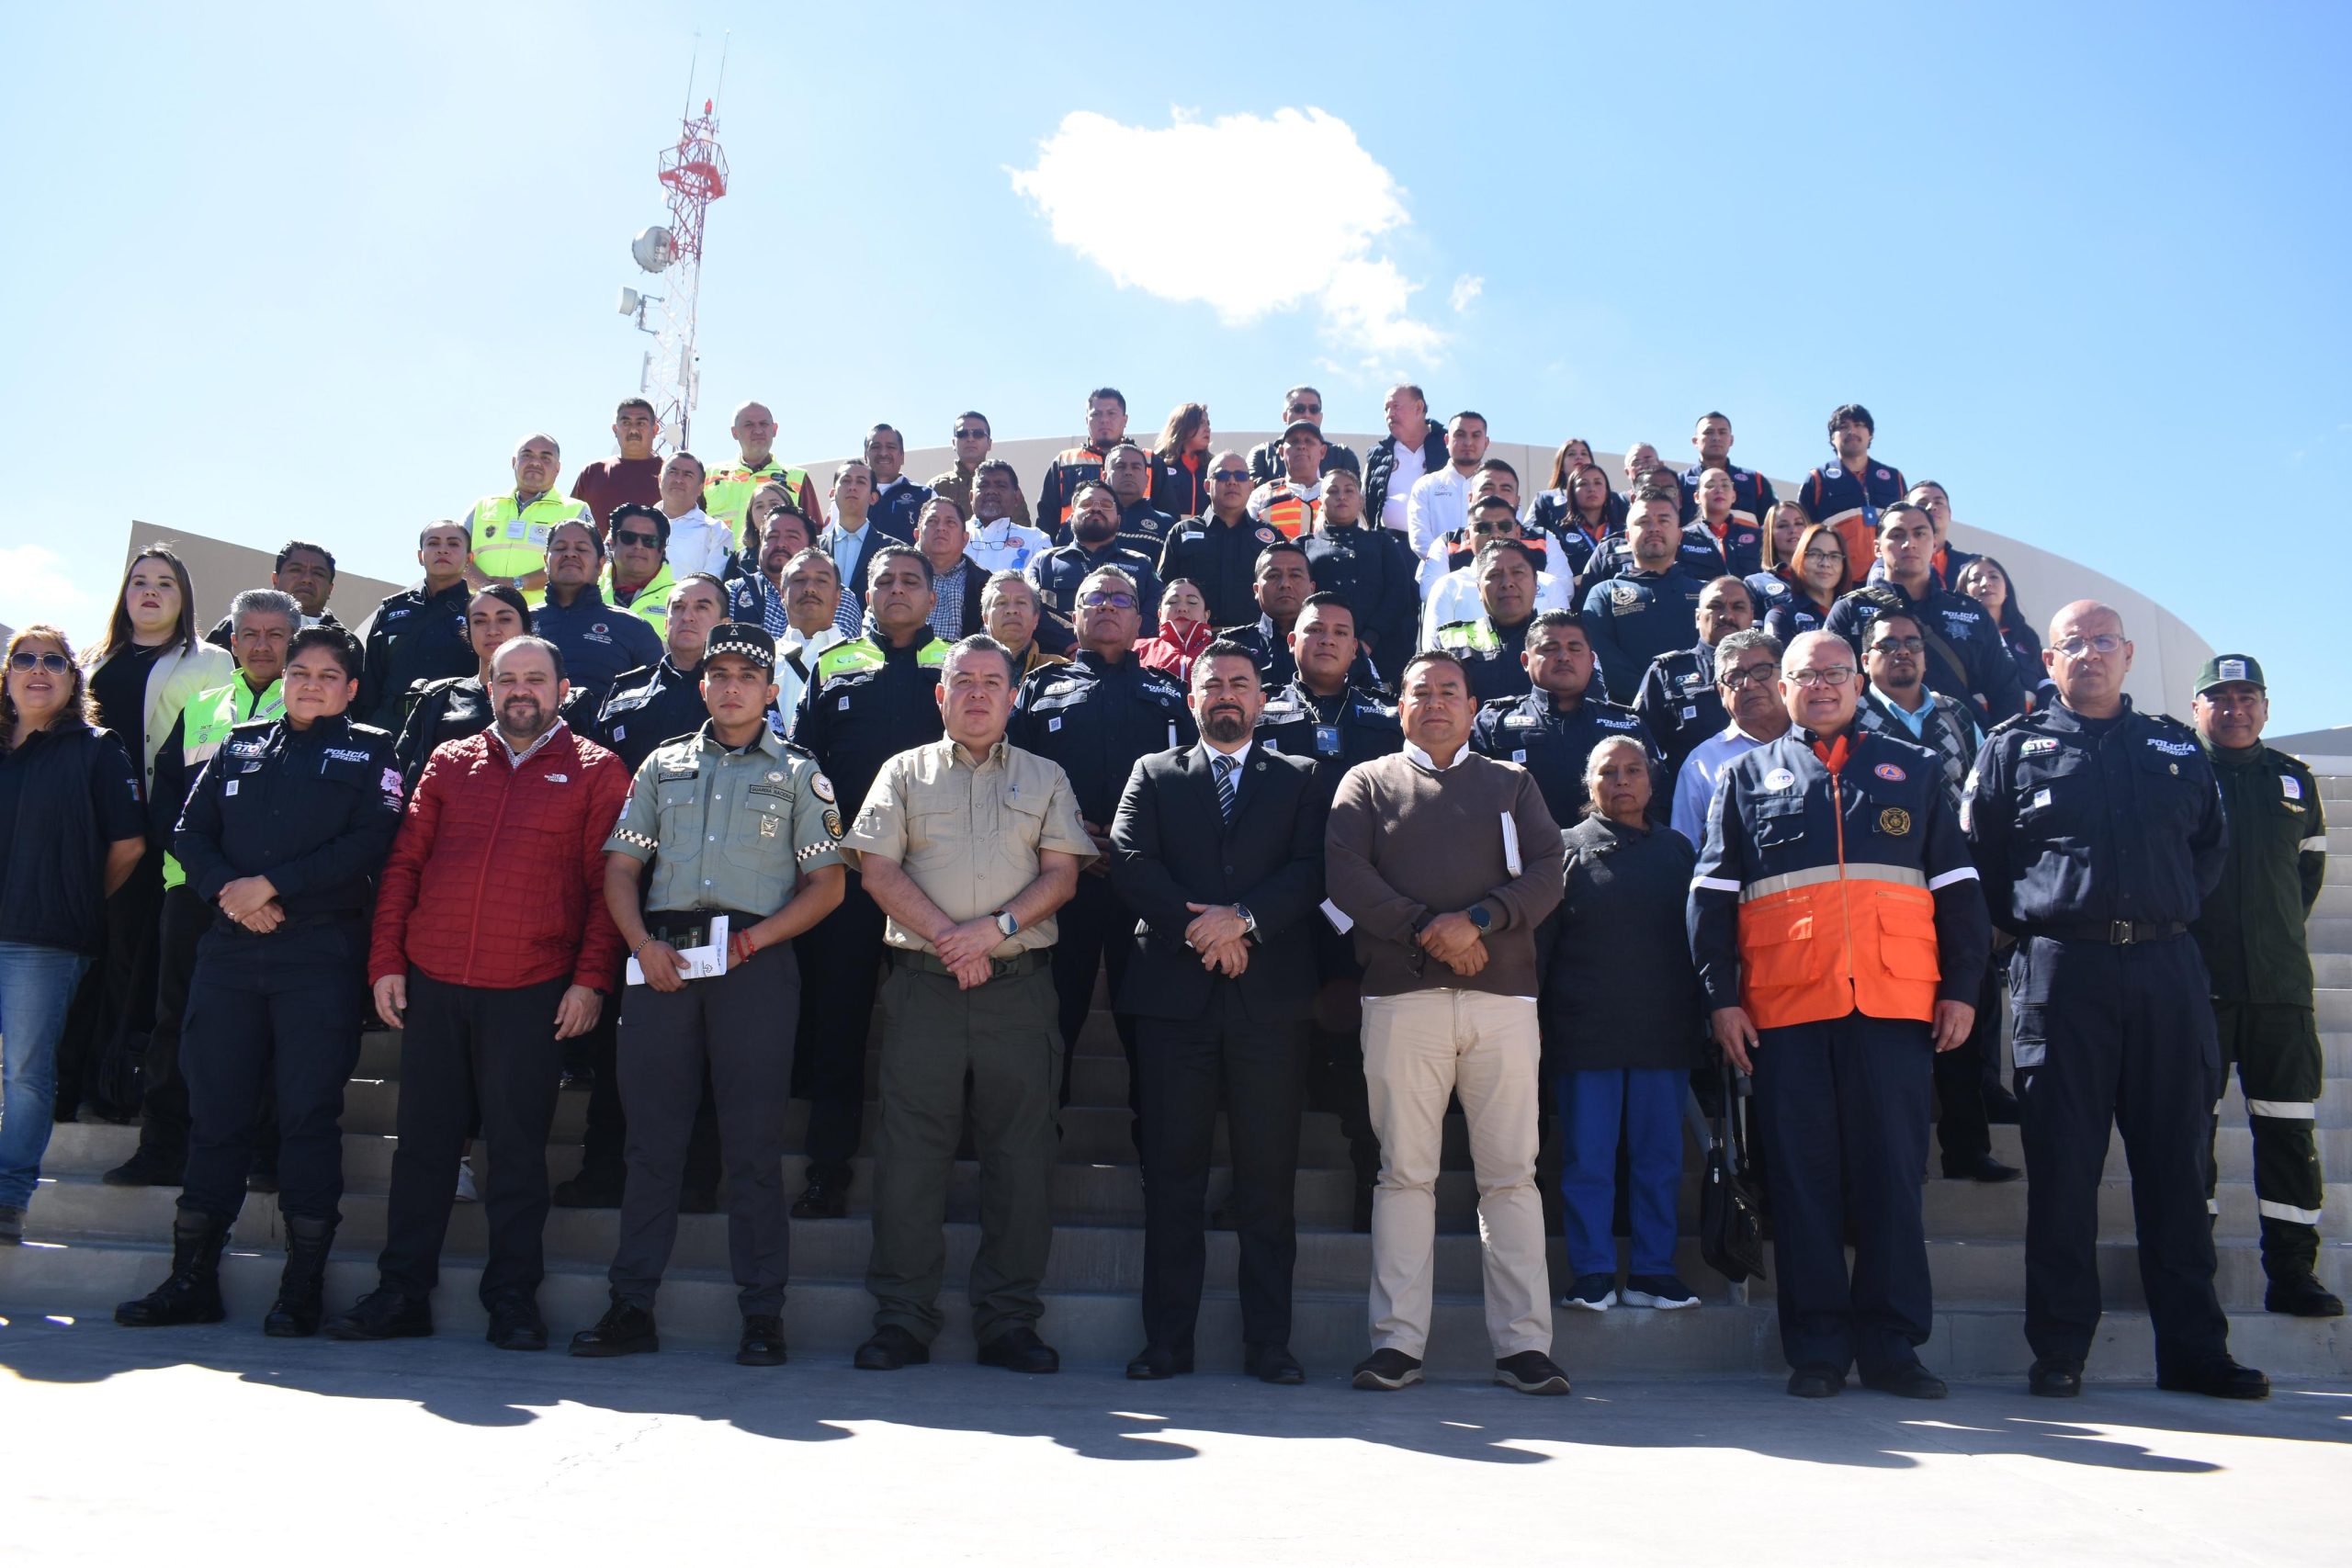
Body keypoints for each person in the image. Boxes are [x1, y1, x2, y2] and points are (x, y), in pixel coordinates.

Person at [1964, 602, 2268, 1400]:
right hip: (2065, 974)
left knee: (2176, 1165)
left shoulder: (2173, 746)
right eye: (2073, 644)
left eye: (2104, 642)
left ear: (2129, 655)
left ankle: (2197, 1350)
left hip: (2168, 970)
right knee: (2064, 1172)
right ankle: (2060, 1349)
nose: (2089, 655)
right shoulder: (2012, 749)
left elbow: (2209, 851)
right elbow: (1985, 861)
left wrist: (2153, 915)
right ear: (2049, 659)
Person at [1691, 629, 1989, 1400]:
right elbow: (1712, 902)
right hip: (1784, 1014)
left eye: (1833, 673)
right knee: (1802, 1180)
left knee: (1893, 1176)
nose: (1820, 686)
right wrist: (1722, 1000)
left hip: (1894, 1006)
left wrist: (1962, 986)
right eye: (1804, 675)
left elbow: (1957, 887)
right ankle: (1817, 1347)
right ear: (1781, 689)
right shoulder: (1745, 775)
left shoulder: (1917, 770)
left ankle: (1893, 1347)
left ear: (1858, 683)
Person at [328, 635, 628, 1349]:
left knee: (519, 1154)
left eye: (535, 678)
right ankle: (402, 1292)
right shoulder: (448, 760)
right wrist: (386, 960)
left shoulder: (599, 770)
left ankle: (514, 1301)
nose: (520, 690)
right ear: (488, 687)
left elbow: (605, 888)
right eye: (507, 679)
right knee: (423, 1150)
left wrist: (590, 980)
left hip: (530, 989)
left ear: (562, 690)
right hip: (434, 982)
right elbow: (403, 866)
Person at [567, 625, 848, 1365]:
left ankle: (762, 1315)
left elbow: (828, 884)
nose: (730, 687)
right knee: (651, 1142)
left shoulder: (797, 771)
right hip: (663, 960)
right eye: (718, 673)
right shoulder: (662, 765)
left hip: (756, 963)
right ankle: (631, 1305)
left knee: (752, 1146)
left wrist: (754, 943)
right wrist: (641, 945)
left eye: (746, 676)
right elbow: (622, 868)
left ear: (767, 689)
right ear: (702, 685)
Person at [114, 626, 402, 1334]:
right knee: (217, 1114)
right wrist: (232, 892)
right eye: (299, 671)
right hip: (231, 954)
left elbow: (373, 838)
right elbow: (189, 831)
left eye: (327, 675)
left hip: (318, 956)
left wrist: (273, 885)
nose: (309, 684)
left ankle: (301, 1287)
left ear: (351, 689)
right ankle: (191, 1279)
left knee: (306, 1115)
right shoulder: (241, 741)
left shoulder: (372, 751)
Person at [843, 635, 1093, 1374]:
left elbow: (1063, 876)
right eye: (964, 681)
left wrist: (994, 931)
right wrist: (953, 938)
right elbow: (877, 871)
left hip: (1018, 992)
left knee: (1021, 1157)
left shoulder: (1047, 776)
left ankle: (1009, 1321)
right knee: (908, 1157)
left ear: (1014, 697)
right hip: (923, 986)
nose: (978, 693)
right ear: (940, 694)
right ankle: (902, 1318)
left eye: (993, 681)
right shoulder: (903, 774)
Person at [1325, 649, 1571, 1395]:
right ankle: (1397, 1344)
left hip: (1503, 1003)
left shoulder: (1512, 782)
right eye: (1420, 691)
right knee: (1404, 1174)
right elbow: (1346, 878)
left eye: (1449, 693)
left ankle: (1524, 1347)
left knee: (1511, 1177)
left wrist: (1480, 921)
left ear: (1473, 708)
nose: (1435, 703)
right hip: (1403, 998)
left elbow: (1548, 869)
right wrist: (1432, 930)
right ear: (1399, 705)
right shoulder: (1365, 783)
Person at [1108, 644, 1325, 1382]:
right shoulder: (1154, 773)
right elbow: (1129, 860)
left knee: (1268, 1180)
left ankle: (1269, 1342)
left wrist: (1247, 922)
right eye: (1212, 684)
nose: (1225, 695)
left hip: (1269, 1004)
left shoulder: (1300, 778)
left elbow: (1311, 868)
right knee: (1173, 1177)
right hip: (1175, 1003)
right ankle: (1167, 1340)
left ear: (1262, 701)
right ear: (1189, 697)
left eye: (1239, 684)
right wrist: (1205, 928)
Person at [104, 589, 298, 1190]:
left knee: (272, 1029)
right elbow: (168, 809)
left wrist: (259, 887)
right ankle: (163, 1146)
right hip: (193, 895)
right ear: (232, 641)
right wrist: (218, 883)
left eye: (276, 634)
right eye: (250, 633)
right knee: (176, 1024)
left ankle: (265, 1153)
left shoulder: (316, 706)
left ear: (294, 640)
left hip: (276, 903)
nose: (262, 645)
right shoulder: (203, 707)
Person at [550, 574, 733, 1211]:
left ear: (724, 619)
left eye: (701, 606)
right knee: (616, 1045)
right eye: (677, 606)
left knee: (704, 1040)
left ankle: (696, 1177)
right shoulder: (623, 695)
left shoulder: (735, 698)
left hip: (704, 892)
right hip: (625, 889)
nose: (685, 616)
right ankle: (604, 1169)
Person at [786, 547, 949, 1219]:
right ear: (866, 595)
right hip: (849, 880)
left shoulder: (961, 663)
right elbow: (804, 770)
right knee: (840, 1022)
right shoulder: (834, 664)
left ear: (934, 598)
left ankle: (930, 1175)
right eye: (885, 580)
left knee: (932, 1033)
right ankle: (828, 1167)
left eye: (912, 580)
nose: (898, 590)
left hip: (938, 879)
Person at [2188, 654, 2343, 1318]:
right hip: (2198, 985)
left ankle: (2292, 1271)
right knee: (2189, 1133)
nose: (2234, 709)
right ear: (2198, 709)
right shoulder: (2180, 774)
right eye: (2219, 698)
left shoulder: (2294, 783)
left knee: (2287, 1131)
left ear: (2266, 706)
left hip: (2280, 990)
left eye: (2247, 696)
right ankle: (2189, 1268)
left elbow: (2304, 881)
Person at [1010, 567, 1195, 1109]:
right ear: (1075, 614)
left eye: (1122, 599)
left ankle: (1154, 1165)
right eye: (1096, 598)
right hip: (1056, 885)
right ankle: (1038, 1154)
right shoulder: (1039, 688)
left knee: (1149, 1033)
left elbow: (1192, 783)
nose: (1109, 607)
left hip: (1146, 889)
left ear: (1140, 619)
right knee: (1050, 1024)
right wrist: (1067, 840)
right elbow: (1011, 776)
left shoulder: (1169, 693)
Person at [63, 547, 232, 1122]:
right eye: (139, 582)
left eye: (165, 583)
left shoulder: (209, 661)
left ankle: (113, 1087)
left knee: (132, 960)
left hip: (152, 828)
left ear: (184, 598)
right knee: (80, 954)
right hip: (85, 823)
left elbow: (209, 750)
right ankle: (68, 1081)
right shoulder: (90, 660)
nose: (150, 592)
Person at [1254, 595, 1403, 1229]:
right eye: (1315, 629)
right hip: (1278, 900)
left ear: (1356, 645)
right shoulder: (1261, 708)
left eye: (1342, 630)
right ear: (1293, 640)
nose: (1328, 639)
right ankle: (1258, 1186)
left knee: (1354, 1044)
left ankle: (1370, 1174)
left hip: (1356, 907)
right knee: (1267, 1046)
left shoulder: (1384, 717)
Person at [1547, 735, 1708, 1312]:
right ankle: (1591, 1272)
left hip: (1663, 1030)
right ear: (1588, 785)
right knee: (1588, 1160)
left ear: (1651, 781)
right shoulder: (1563, 849)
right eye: (1608, 772)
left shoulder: (1680, 851)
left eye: (1633, 770)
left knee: (1659, 1160)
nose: (1621, 782)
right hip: (1585, 1030)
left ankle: (1652, 1273)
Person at [1854, 614, 2015, 1186]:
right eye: (1887, 646)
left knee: (1965, 1014)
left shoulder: (1955, 713)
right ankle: (1906, 1158)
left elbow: (1987, 798)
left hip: (1955, 885)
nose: (1901, 654)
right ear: (1865, 659)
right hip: (1885, 893)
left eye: (1911, 645)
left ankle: (1968, 1148)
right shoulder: (1853, 717)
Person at [0, 627, 145, 1245]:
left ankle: (6, 1198)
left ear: (72, 679)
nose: (38, 669)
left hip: (44, 937)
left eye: (53, 661)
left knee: (26, 1071)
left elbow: (129, 843)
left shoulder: (95, 749)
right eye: (23, 658)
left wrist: (77, 897)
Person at [1824, 502, 2028, 724]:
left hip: (1963, 749)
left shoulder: (1971, 612)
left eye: (1920, 534)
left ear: (1935, 544)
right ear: (1877, 548)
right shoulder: (1850, 609)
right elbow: (1828, 681)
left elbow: (2006, 691)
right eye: (1897, 535)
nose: (1909, 544)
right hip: (1874, 750)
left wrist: (1998, 749)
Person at [1468, 611, 1654, 832]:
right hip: (1523, 861)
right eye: (1549, 649)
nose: (1564, 656)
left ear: (1591, 660)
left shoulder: (1626, 724)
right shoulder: (1493, 722)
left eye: (1574, 649)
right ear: (1525, 661)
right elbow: (1471, 802)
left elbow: (1657, 800)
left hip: (1615, 858)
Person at [392, 583, 529, 795]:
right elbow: (398, 775)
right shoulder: (437, 698)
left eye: (504, 619)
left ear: (526, 628)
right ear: (468, 631)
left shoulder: (554, 702)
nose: (492, 630)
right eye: (480, 621)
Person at [1578, 490, 1705, 703]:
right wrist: (1653, 700)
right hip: (1633, 718)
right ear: (1628, 536)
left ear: (1680, 534)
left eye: (1663, 520)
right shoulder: (1604, 594)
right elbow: (1605, 661)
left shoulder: (1706, 593)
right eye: (1644, 521)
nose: (1654, 528)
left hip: (1703, 712)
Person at [1300, 467, 1420, 686]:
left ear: (1360, 502)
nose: (1341, 496)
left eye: (1349, 491)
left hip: (1378, 654)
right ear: (1320, 500)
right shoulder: (1302, 546)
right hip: (1320, 652)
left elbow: (1398, 594)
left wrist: (1368, 640)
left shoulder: (1383, 543)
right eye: (1333, 491)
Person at [1669, 628, 1787, 846]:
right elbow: (1687, 851)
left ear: (1785, 677)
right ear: (1721, 692)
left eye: (1761, 671)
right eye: (1735, 677)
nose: (1749, 684)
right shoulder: (1701, 764)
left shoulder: (1818, 740)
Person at [1634, 576, 1756, 781]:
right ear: (1698, 617)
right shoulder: (1665, 673)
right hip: (1690, 798)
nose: (1727, 615)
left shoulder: (1774, 670)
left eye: (1738, 607)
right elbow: (1642, 748)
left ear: (1752, 616)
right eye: (1715, 606)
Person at [533, 520, 664, 708]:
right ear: (546, 561)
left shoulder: (634, 628)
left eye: (582, 548)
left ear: (601, 565)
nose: (570, 554)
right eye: (560, 548)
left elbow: (656, 699)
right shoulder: (519, 621)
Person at [360, 523, 477, 730]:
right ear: (420, 556)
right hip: (388, 729)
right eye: (433, 543)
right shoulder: (391, 608)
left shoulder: (479, 611)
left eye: (453, 543)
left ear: (469, 558)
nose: (443, 549)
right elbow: (371, 678)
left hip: (452, 729)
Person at [1224, 541, 1378, 693]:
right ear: (1256, 590)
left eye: (1295, 575)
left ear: (1312, 588)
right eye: (1273, 576)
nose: (1285, 584)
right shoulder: (1232, 645)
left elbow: (1371, 705)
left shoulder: (1338, 643)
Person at [1419, 493, 1574, 644]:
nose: (1495, 534)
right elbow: (1434, 660)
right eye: (1483, 528)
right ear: (1467, 536)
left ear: (1518, 532)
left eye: (1504, 526)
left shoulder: (1551, 585)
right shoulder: (1446, 587)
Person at [463, 432, 594, 597]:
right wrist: (484, 586)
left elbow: (584, 564)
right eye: (527, 455)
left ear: (558, 468)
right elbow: (455, 554)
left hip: (544, 618)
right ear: (513, 462)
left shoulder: (576, 510)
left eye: (545, 458)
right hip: (482, 617)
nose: (535, 463)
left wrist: (518, 583)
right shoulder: (483, 506)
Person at [1157, 455, 1277, 631]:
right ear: (1207, 486)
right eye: (1222, 476)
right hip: (1194, 642)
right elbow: (1164, 591)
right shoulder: (1180, 533)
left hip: (1255, 642)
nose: (1232, 481)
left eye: (1241, 476)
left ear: (1251, 486)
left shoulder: (1271, 537)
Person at [1029, 480, 1162, 636]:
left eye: (1106, 504)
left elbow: (1155, 612)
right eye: (1086, 504)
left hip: (1124, 655)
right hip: (1059, 656)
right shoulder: (1044, 562)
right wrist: (1070, 644)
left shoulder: (1142, 564)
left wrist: (1119, 644)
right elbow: (1027, 608)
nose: (1096, 508)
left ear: (1119, 521)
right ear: (1071, 519)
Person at [1432, 539, 1546, 703]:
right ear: (1479, 589)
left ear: (1536, 583)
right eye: (1494, 575)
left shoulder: (1562, 639)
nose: (1507, 583)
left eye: (1518, 573)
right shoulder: (1448, 640)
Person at [1799, 403, 1907, 574]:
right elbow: (1804, 534)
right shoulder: (1818, 477)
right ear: (1832, 438)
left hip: (1887, 574)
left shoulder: (1894, 478)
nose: (1852, 431)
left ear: (1870, 434)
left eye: (1859, 425)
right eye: (1843, 427)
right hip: (1837, 577)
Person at [704, 400, 821, 539]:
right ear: (734, 432)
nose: (758, 430)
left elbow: (815, 532)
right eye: (749, 425)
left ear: (774, 429)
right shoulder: (708, 476)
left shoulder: (797, 478)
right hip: (717, 560)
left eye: (763, 424)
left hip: (776, 560)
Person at [819, 458, 909, 635]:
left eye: (861, 481)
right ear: (832, 493)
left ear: (873, 497)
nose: (852, 487)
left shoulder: (895, 552)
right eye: (845, 480)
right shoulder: (811, 550)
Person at [1955, 555, 2052, 712]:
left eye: (1994, 576)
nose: (1986, 583)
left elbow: (2045, 682)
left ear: (2007, 589)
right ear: (1963, 590)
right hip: (1978, 729)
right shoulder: (1956, 637)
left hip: (2029, 728)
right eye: (1975, 579)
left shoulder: (2025, 636)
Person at [203, 540, 340, 648]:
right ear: (275, 579)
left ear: (330, 589)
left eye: (318, 573)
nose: (306, 579)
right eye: (296, 570)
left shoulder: (346, 642)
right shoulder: (233, 626)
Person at [770, 548, 851, 726]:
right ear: (783, 594)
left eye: (821, 580)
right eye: (799, 580)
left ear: (838, 596)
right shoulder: (762, 660)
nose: (809, 589)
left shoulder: (864, 661)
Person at [1038, 389, 1128, 539]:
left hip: (1130, 557)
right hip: (1071, 555)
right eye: (1096, 414)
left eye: (1111, 413)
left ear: (1125, 420)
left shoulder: (1148, 462)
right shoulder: (1064, 463)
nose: (1104, 419)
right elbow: (1046, 521)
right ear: (1086, 420)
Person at [1363, 384, 1450, 538]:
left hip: (1439, 546)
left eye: (1395, 406)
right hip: (1388, 548)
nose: (1390, 414)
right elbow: (1363, 503)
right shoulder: (1378, 454)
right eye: (1386, 409)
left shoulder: (1448, 445)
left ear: (1418, 407)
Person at [1404, 411, 1492, 558]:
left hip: (1489, 576)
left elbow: (1509, 534)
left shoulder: (1500, 487)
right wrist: (1450, 562)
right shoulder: (1425, 485)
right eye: (1460, 434)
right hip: (1437, 576)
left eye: (1476, 435)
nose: (1468, 442)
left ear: (1486, 442)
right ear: (1446, 440)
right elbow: (1419, 539)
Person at [571, 397, 667, 532]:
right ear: (615, 429)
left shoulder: (673, 473)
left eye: (641, 423)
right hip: (601, 553)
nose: (633, 430)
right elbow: (571, 523)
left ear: (655, 430)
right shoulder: (593, 472)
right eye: (626, 423)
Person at [925, 411, 1031, 528]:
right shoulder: (937, 487)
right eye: (962, 434)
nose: (970, 439)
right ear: (954, 443)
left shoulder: (1007, 486)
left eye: (978, 434)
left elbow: (1023, 530)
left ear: (989, 443)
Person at [1675, 411, 1778, 528]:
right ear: (1695, 441)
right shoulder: (1678, 482)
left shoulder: (1756, 481)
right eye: (1708, 432)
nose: (1716, 438)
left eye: (1722, 432)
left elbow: (1774, 527)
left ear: (1731, 440)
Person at [725, 504, 816, 637]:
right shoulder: (732, 592)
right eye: (772, 536)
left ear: (812, 548)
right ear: (760, 545)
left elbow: (843, 653)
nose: (780, 544)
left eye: (792, 537)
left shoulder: (836, 598)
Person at [1529, 459, 1621, 585]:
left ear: (1607, 491)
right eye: (1583, 484)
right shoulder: (1555, 535)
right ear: (1571, 492)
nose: (1592, 489)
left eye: (1598, 483)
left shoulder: (1623, 532)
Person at [1247, 385, 1361, 483]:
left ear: (1321, 417)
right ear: (1285, 416)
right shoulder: (1263, 455)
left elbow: (1352, 497)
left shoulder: (1342, 456)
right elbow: (1252, 492)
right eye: (1299, 409)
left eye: (1314, 409)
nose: (1307, 414)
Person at [1763, 522, 1849, 649]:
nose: (1825, 563)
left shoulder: (1853, 611)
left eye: (1834, 556)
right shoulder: (1782, 615)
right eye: (1815, 554)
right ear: (1799, 559)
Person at [913, 496, 989, 639]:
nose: (941, 528)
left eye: (950, 522)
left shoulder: (985, 585)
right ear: (917, 535)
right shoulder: (891, 574)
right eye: (932, 521)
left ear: (965, 539)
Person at [964, 459, 1053, 578]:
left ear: (1016, 497)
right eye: (983, 485)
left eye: (1001, 486)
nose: (991, 491)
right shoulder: (951, 535)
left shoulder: (1036, 539)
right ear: (971, 497)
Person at [653, 450, 734, 581]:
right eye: (672, 472)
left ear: (701, 487)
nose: (679, 480)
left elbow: (711, 584)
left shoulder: (718, 532)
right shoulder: (634, 523)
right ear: (660, 480)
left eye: (688, 475)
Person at [1244, 422, 1330, 539]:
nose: (1302, 446)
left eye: (1309, 441)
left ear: (1322, 451)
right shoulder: (1260, 495)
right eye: (1294, 441)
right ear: (1281, 452)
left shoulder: (1336, 492)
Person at [602, 503, 680, 632]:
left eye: (649, 540)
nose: (639, 546)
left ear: (662, 549)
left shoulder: (682, 598)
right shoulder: (585, 588)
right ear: (612, 543)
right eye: (628, 537)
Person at [982, 571, 1070, 680]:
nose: (1011, 610)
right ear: (985, 618)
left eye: (1021, 602)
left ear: (1036, 619)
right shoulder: (963, 667)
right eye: (1001, 602)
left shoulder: (1061, 669)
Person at [1105, 442, 1182, 558]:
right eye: (1120, 466)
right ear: (1104, 477)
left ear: (1147, 480)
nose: (1128, 472)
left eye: (1136, 467)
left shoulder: (1167, 524)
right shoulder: (1088, 518)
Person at [1688, 466, 1766, 578]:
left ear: (1734, 496)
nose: (1719, 490)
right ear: (1697, 497)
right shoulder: (1682, 537)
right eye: (1710, 485)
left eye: (1725, 485)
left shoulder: (1759, 537)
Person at [1135, 578, 1215, 683]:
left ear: (1206, 615)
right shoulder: (1135, 649)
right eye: (1172, 602)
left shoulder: (1225, 652)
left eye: (1192, 602)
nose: (1182, 608)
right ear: (1160, 614)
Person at [862, 424, 933, 541]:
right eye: (875, 447)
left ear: (902, 456)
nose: (883, 453)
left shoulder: (926, 495)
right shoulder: (850, 494)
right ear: (865, 455)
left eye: (891, 447)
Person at [1745, 498, 1814, 615]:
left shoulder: (1828, 577)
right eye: (1782, 526)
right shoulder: (1754, 584)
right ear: (1770, 535)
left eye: (1799, 523)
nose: (1793, 530)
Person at [1148, 400, 1215, 519]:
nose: (1208, 429)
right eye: (1201, 423)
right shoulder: (1157, 463)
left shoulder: (1213, 466)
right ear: (1183, 426)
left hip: (1206, 535)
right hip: (1168, 534)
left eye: (1208, 423)